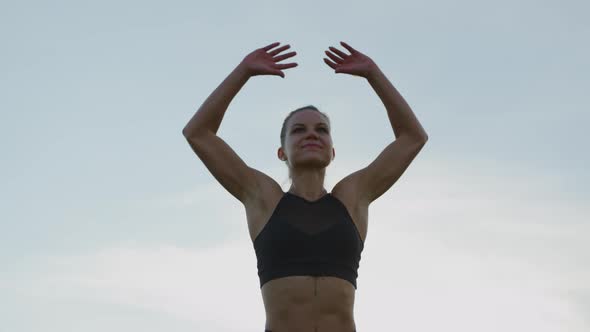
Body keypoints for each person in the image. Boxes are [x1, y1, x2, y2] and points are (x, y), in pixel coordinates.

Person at [182, 41, 428, 332]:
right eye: (298, 130)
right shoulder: (263, 197)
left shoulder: (353, 196)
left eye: (321, 130)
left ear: (333, 152)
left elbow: (412, 138)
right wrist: (243, 71)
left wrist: (373, 73)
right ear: (282, 152)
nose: (311, 135)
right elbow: (198, 133)